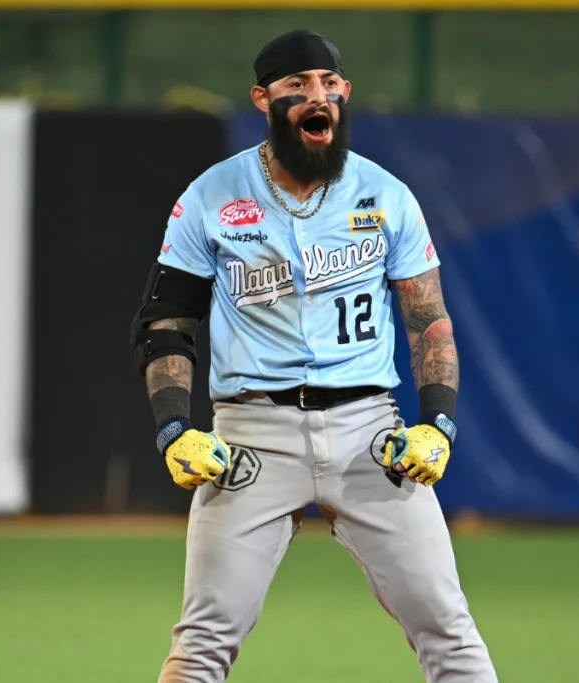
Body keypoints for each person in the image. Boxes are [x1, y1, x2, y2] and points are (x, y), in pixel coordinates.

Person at [129, 29, 499, 683]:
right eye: (297, 86)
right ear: (264, 100)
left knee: (448, 630)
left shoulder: (385, 195)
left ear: (346, 95)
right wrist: (173, 430)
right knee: (202, 643)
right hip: (251, 437)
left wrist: (437, 424)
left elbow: (429, 322)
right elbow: (164, 321)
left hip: (368, 432)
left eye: (329, 84)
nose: (316, 96)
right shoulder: (215, 195)